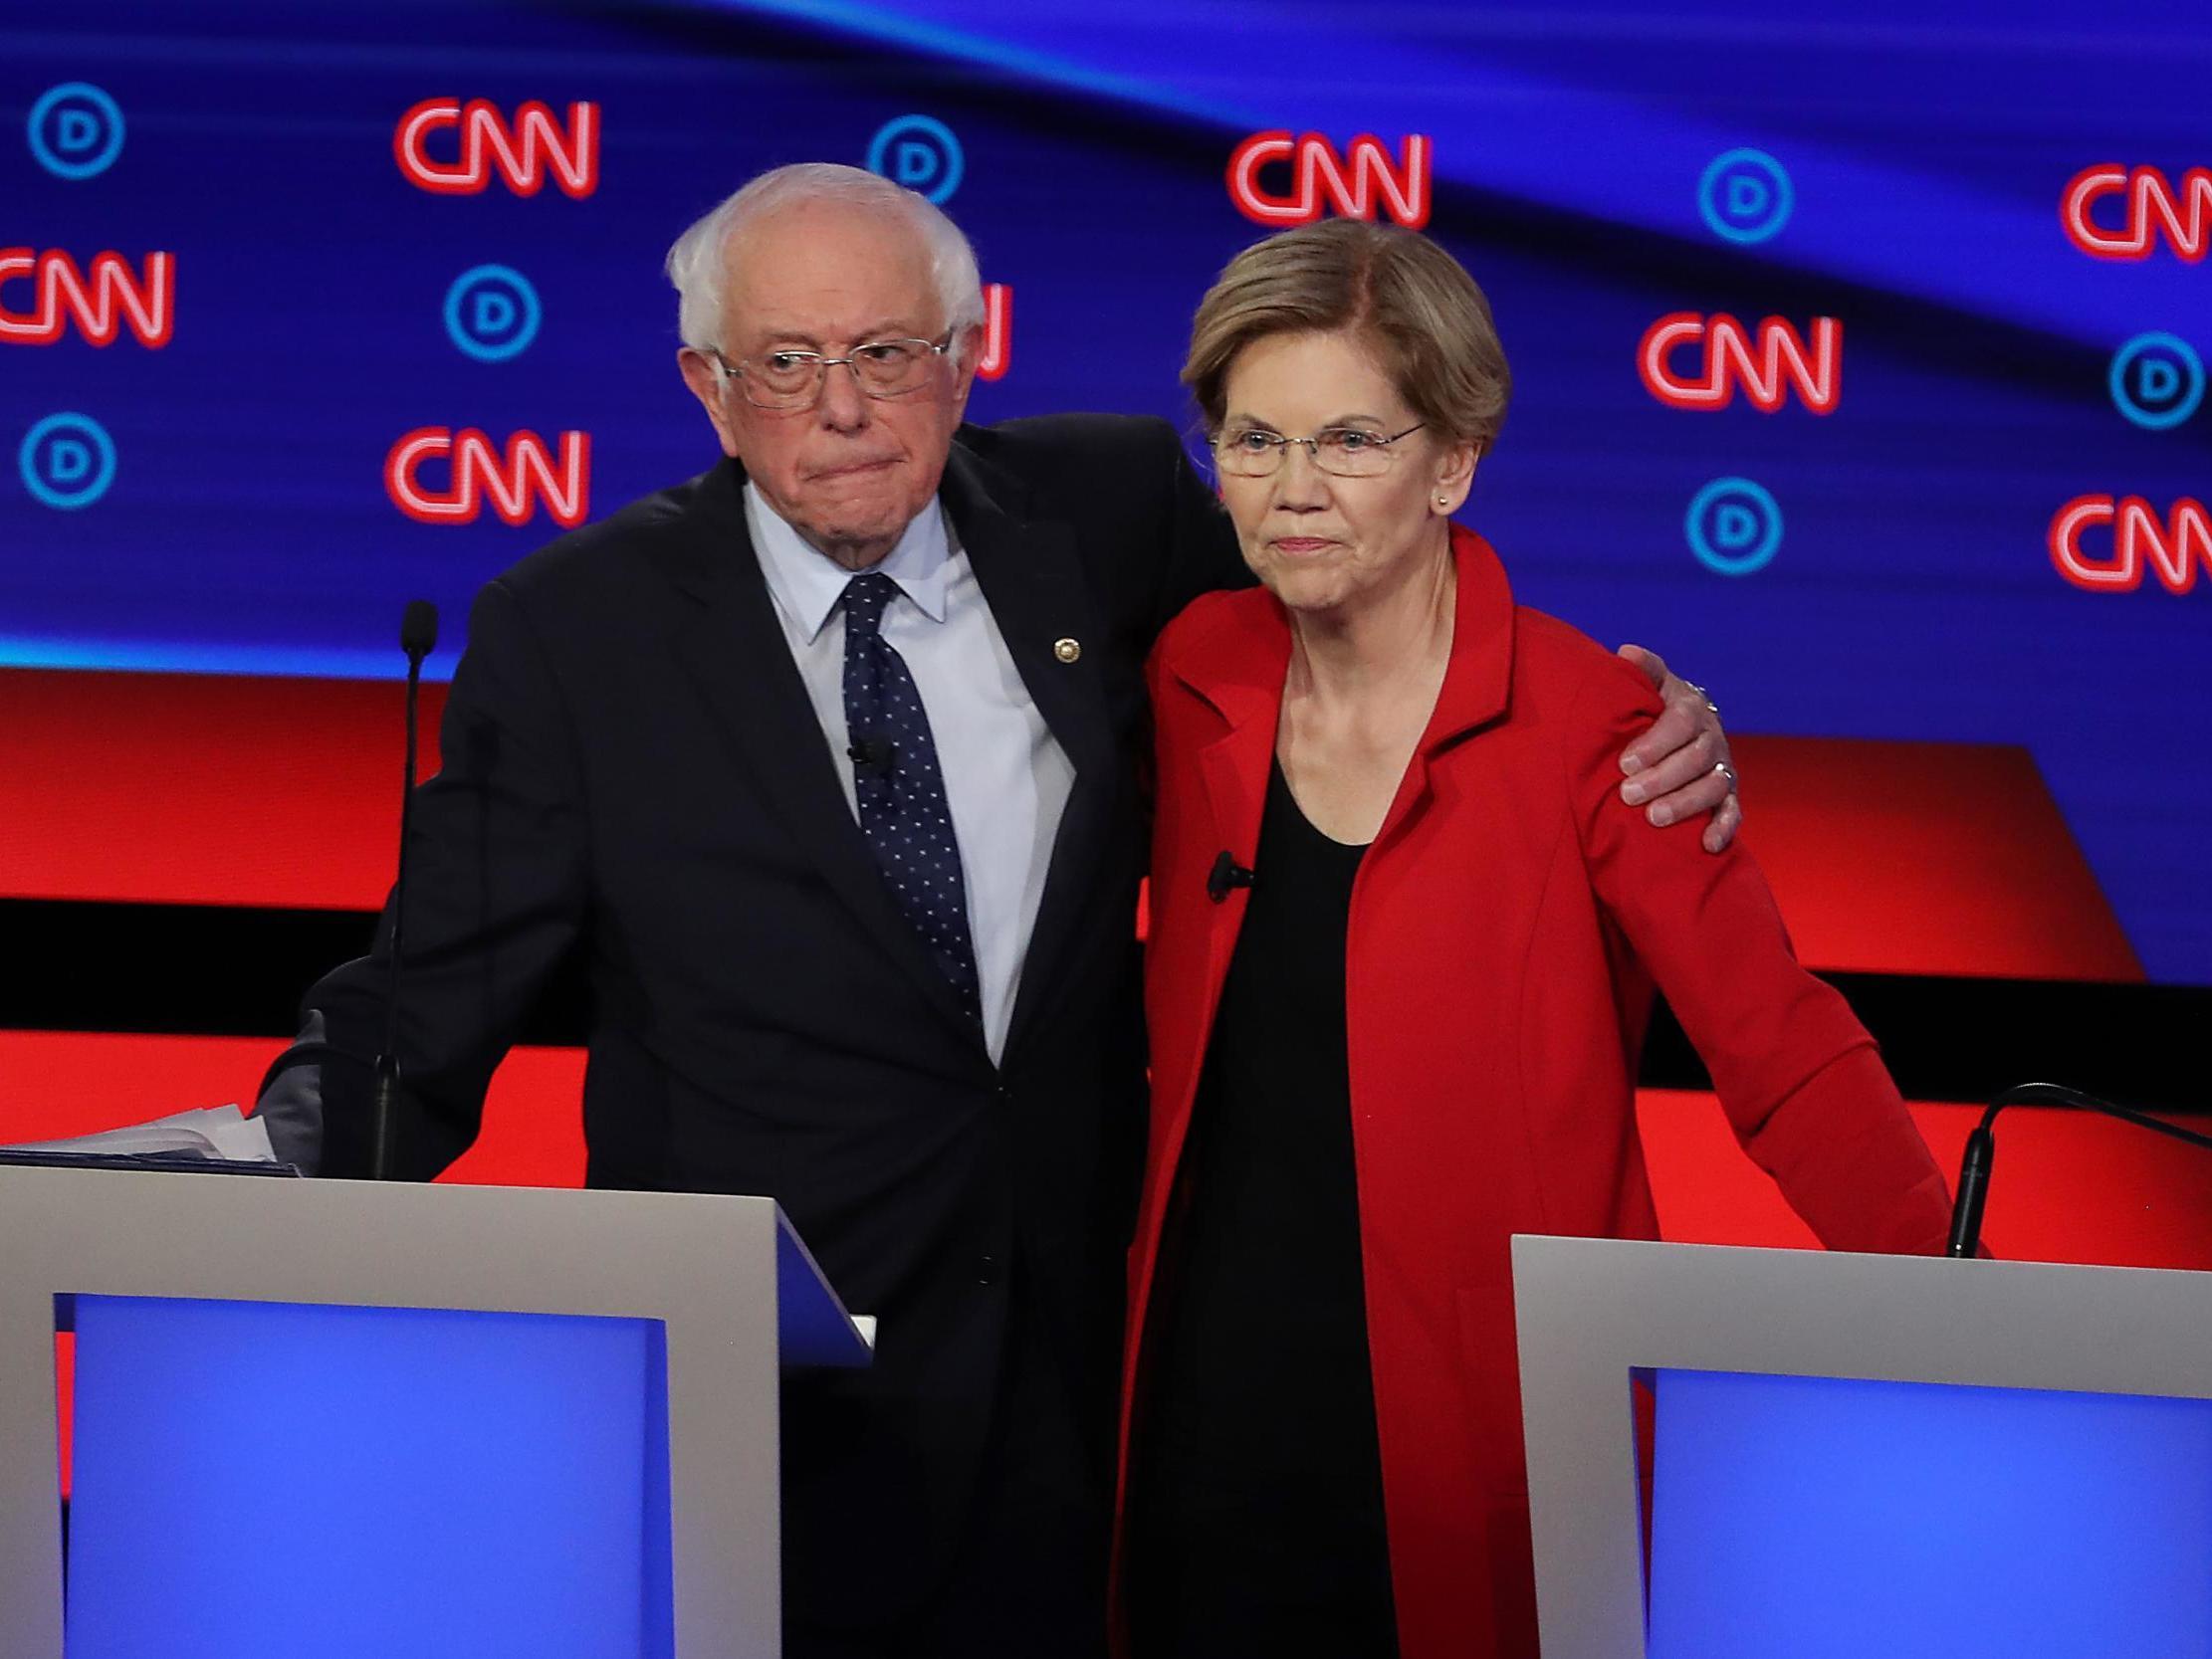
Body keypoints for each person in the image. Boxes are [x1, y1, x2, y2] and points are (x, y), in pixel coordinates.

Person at [254, 166, 1737, 1657]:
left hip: (1081, 1388)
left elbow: (1360, 581)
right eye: (786, 362)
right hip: (769, 1405)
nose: (842, 406)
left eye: (888, 353)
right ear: (709, 387)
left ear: (966, 359)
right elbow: (429, 995)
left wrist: (1626, 709)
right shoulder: (577, 632)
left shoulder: (1108, 513)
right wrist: (263, 1175)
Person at [1118, 219, 1955, 1659]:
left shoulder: (1597, 727)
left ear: (1452, 461)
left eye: (1350, 441)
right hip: (1207, 1406)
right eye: (1252, 441)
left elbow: (1783, 1050)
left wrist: (1970, 1314)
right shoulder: (1190, 664)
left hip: (1484, 1431)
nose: (1293, 491)